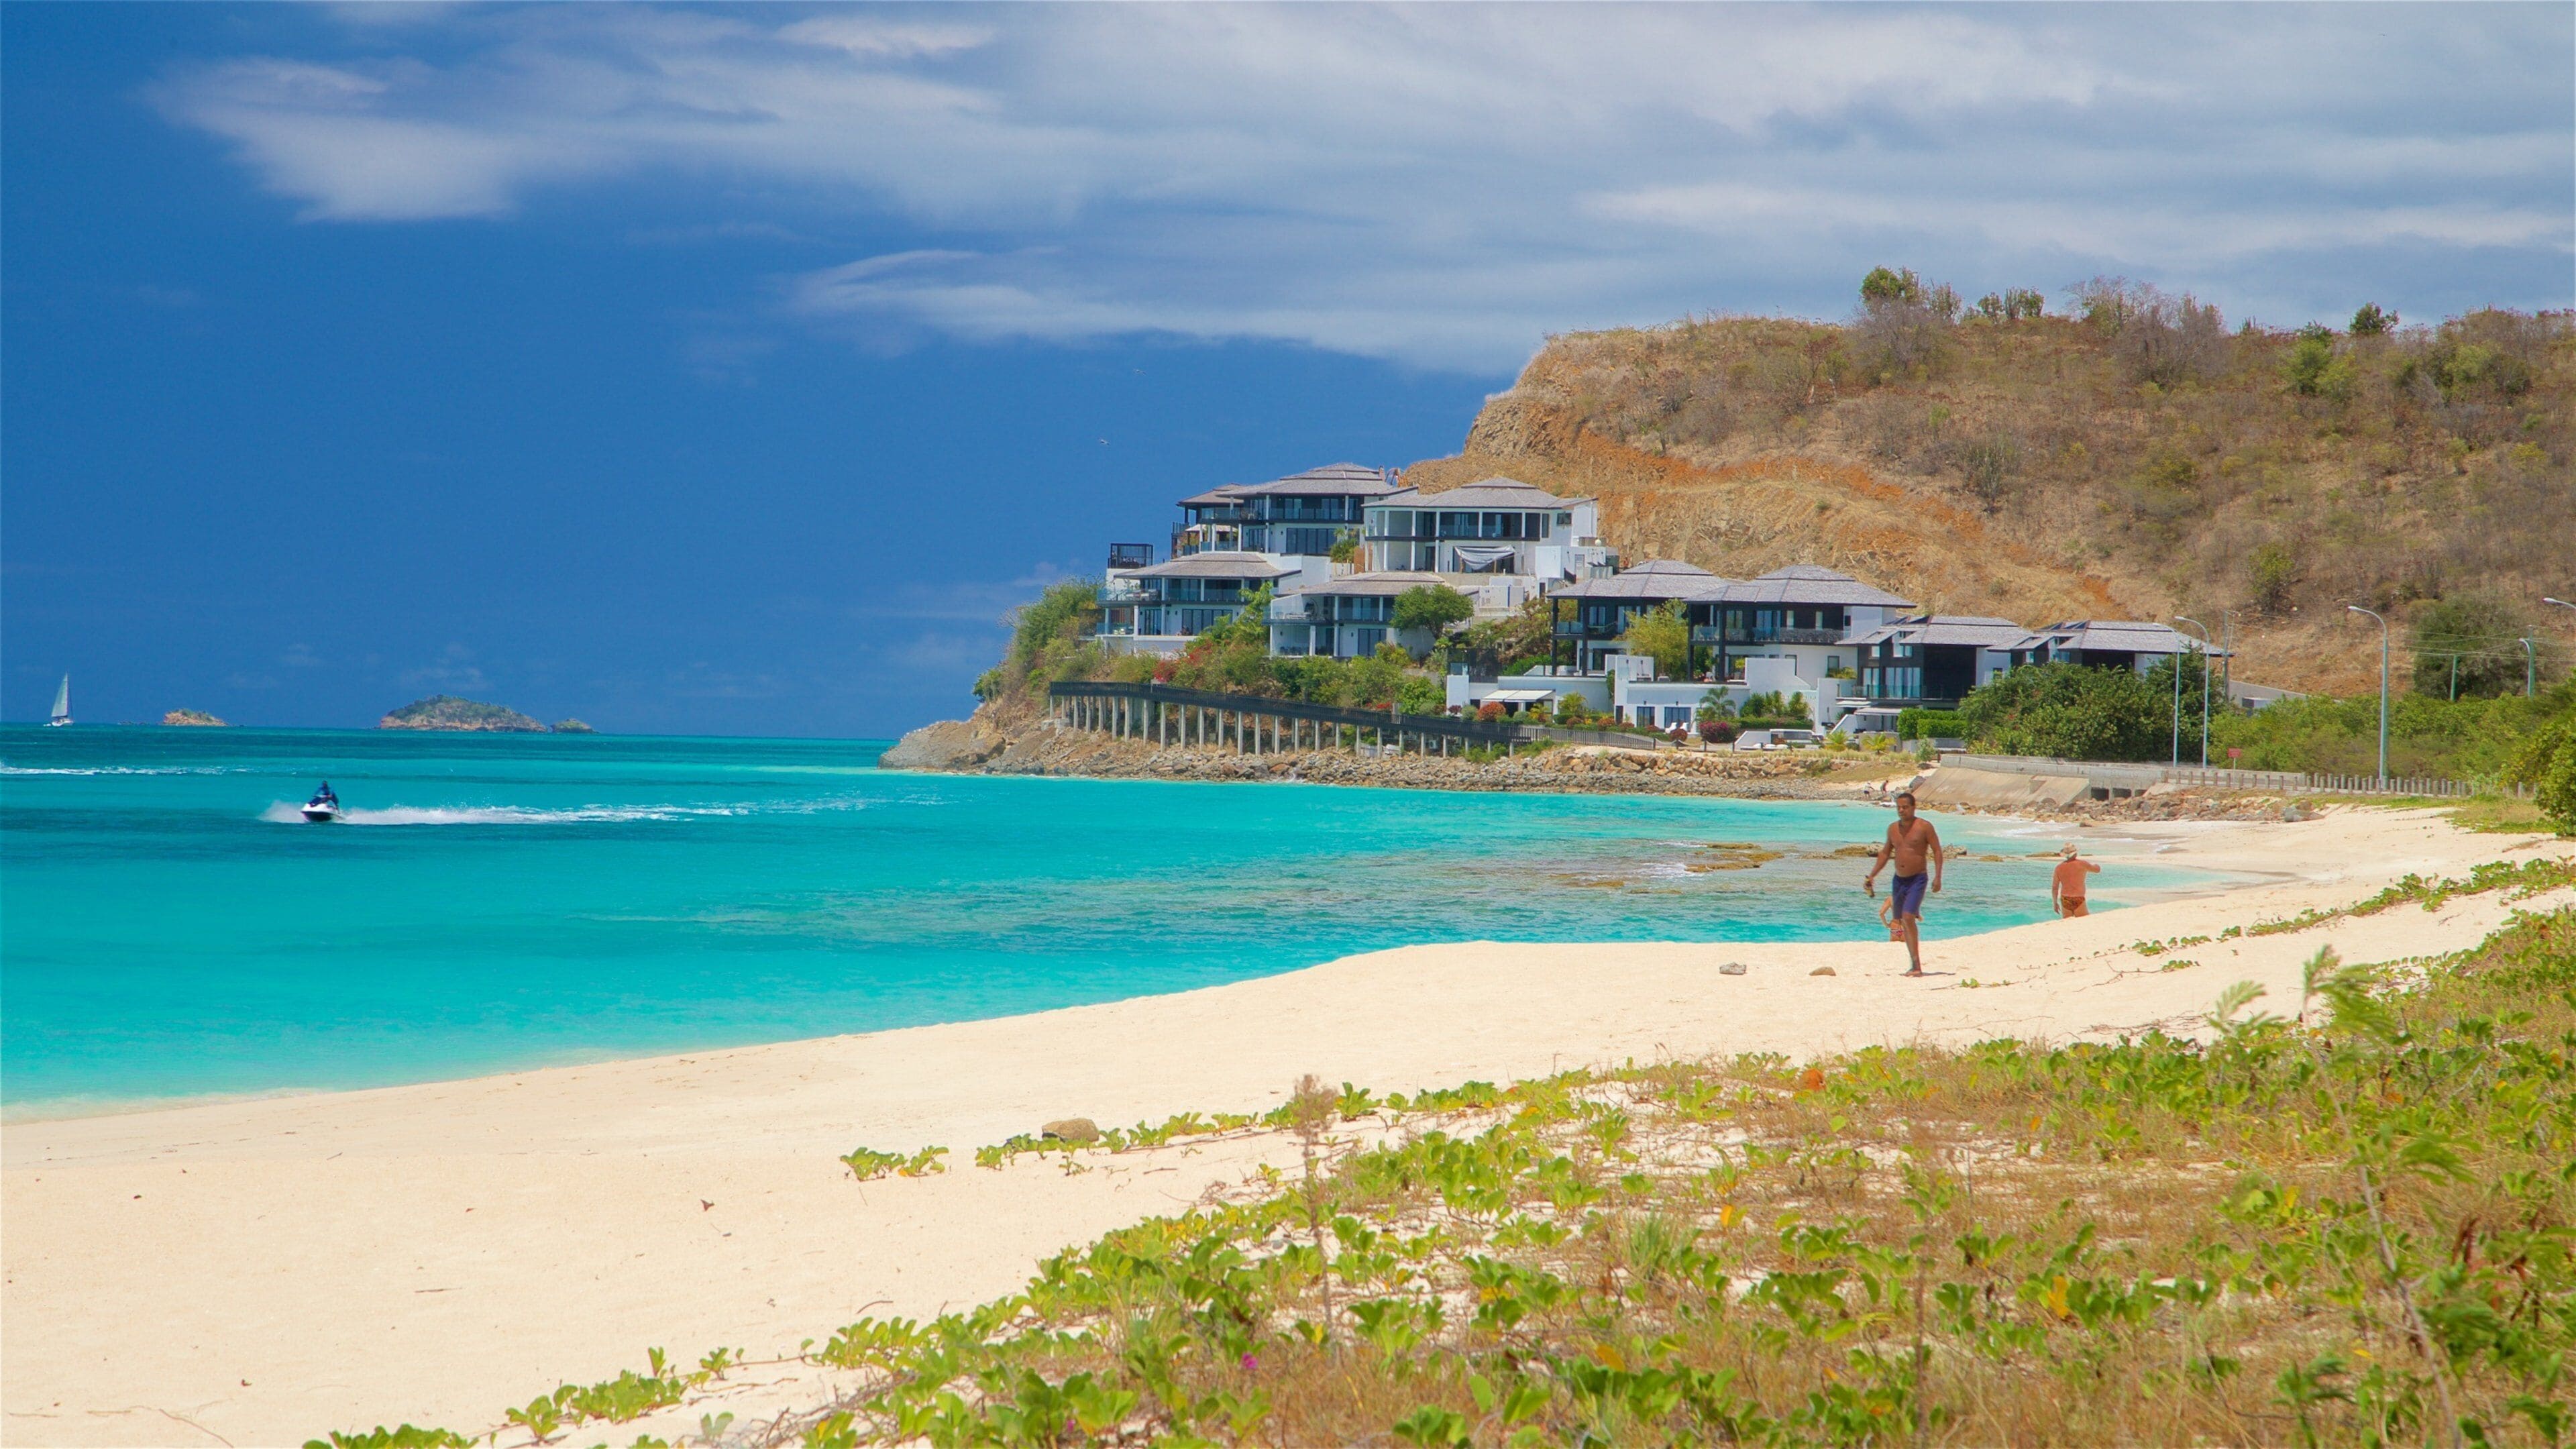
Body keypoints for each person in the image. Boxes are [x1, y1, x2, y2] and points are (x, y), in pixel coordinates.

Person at [1863, 790, 1942, 975]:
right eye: (1899, 808)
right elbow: (1884, 854)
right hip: (1899, 880)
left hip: (1918, 878)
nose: (1902, 811)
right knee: (1899, 921)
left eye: (1905, 807)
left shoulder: (1924, 827)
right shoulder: (1892, 829)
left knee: (1907, 917)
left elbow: (1938, 851)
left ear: (1914, 808)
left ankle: (1916, 966)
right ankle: (1913, 962)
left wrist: (1938, 877)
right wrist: (1872, 875)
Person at [2052, 843, 2101, 918]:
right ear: (2075, 853)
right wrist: (2096, 865)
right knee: (2083, 922)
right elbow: (2097, 870)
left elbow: (2055, 887)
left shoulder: (2059, 868)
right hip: (2078, 897)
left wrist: (2055, 903)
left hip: (2065, 898)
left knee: (2067, 923)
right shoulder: (2082, 864)